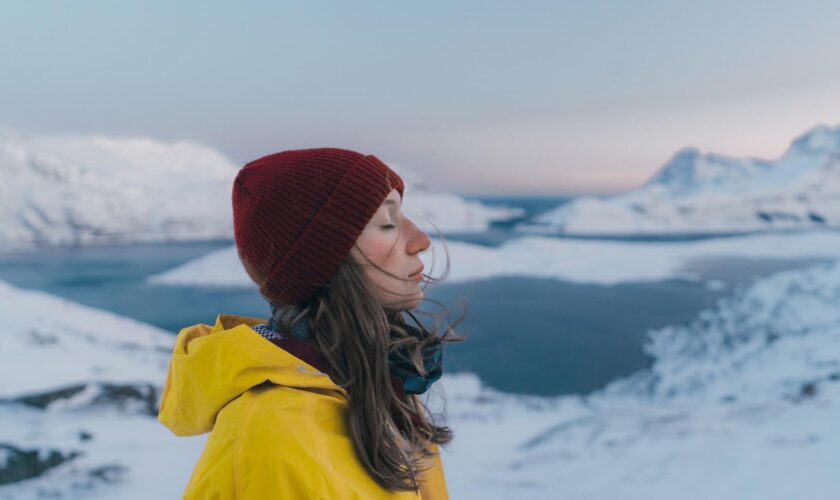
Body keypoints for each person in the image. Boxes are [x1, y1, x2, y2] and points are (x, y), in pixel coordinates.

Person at [157, 148, 466, 499]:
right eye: (387, 223)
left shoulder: (381, 387)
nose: (421, 241)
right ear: (322, 261)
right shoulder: (273, 440)